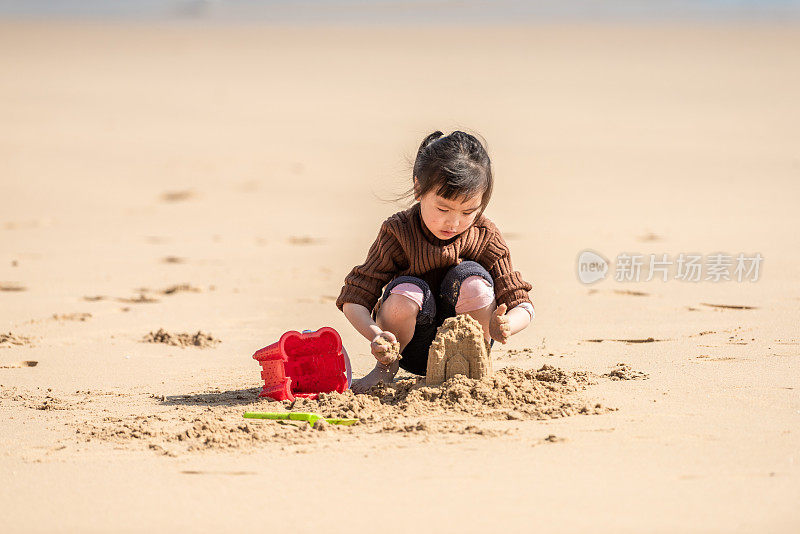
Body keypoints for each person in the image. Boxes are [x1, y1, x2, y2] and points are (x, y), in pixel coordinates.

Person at [335, 130, 535, 393]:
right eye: (442, 209)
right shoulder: (399, 231)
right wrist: (376, 335)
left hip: (467, 347)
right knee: (408, 290)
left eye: (468, 212)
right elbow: (355, 298)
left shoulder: (485, 235)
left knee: (473, 280)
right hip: (409, 349)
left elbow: (521, 302)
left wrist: (507, 325)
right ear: (419, 188)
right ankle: (385, 371)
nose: (453, 223)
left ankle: (475, 369)